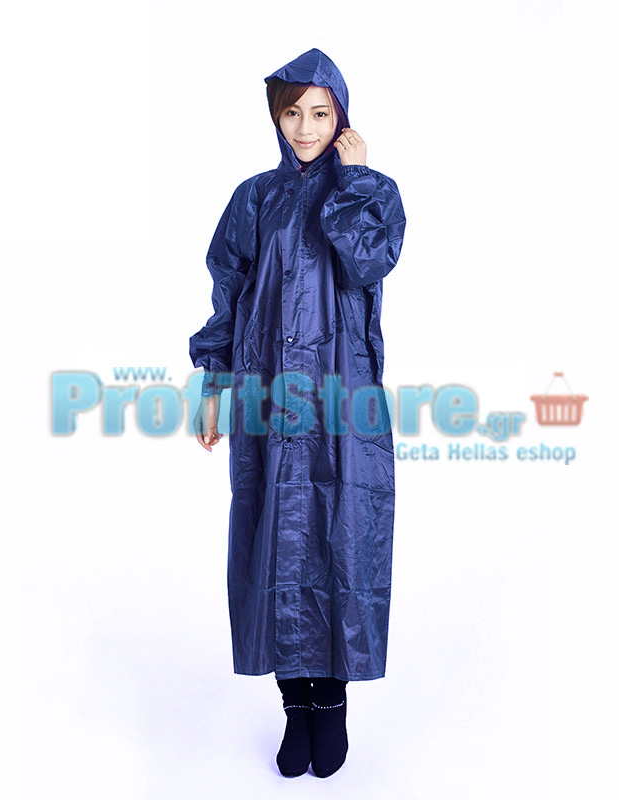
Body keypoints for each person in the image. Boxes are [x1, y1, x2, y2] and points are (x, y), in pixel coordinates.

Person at [189, 48, 406, 778]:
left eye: (320, 112)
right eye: (293, 113)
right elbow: (227, 293)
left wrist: (356, 179)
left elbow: (368, 262)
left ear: (341, 116)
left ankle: (332, 705)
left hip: (345, 395)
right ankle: (295, 706)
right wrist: (213, 384)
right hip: (269, 391)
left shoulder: (373, 193)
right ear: (276, 118)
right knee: (276, 540)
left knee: (342, 537)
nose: (306, 128)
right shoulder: (254, 198)